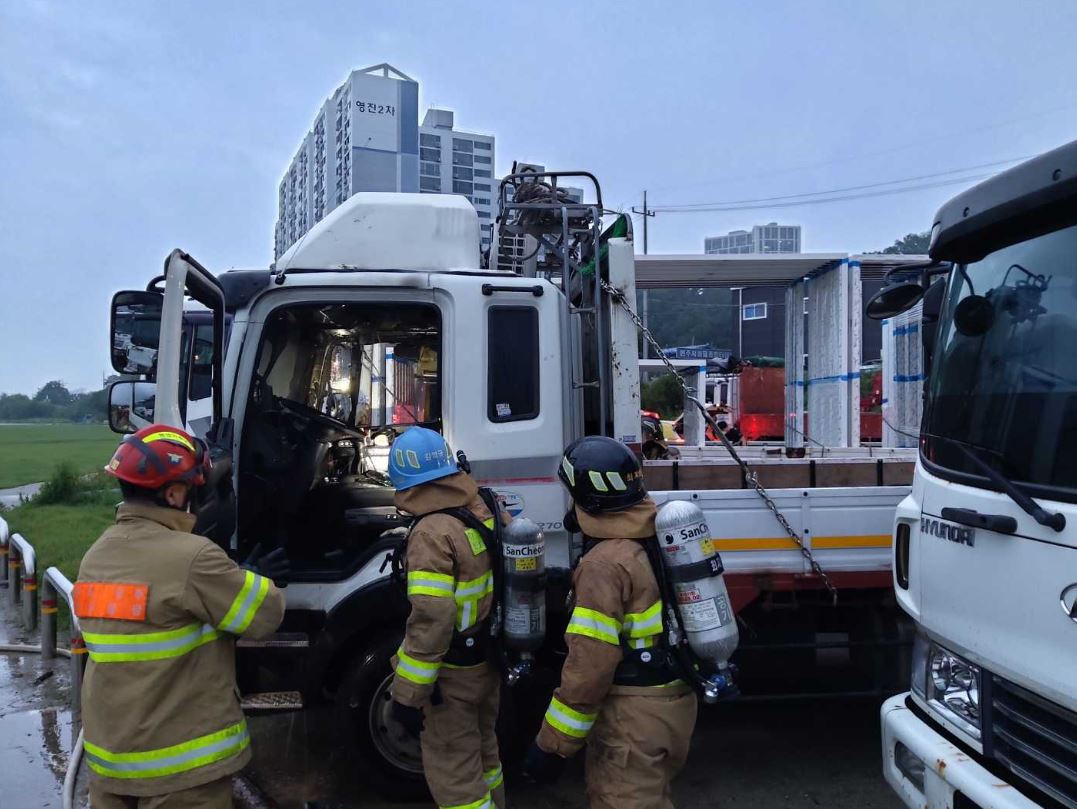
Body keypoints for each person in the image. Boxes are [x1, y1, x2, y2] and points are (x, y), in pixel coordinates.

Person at [76, 425, 288, 809]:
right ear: (174, 494)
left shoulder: (95, 556)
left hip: (111, 763)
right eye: (196, 489)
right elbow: (264, 615)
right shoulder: (193, 557)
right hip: (179, 771)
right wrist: (253, 577)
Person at [524, 436, 698, 809]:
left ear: (588, 500)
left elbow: (590, 668)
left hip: (632, 716)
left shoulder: (603, 564)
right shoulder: (654, 536)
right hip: (672, 704)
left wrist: (553, 745)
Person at [388, 427, 505, 809]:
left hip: (452, 676)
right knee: (486, 757)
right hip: (487, 662)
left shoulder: (430, 533)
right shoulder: (483, 505)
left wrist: (407, 696)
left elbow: (431, 621)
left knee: (455, 774)